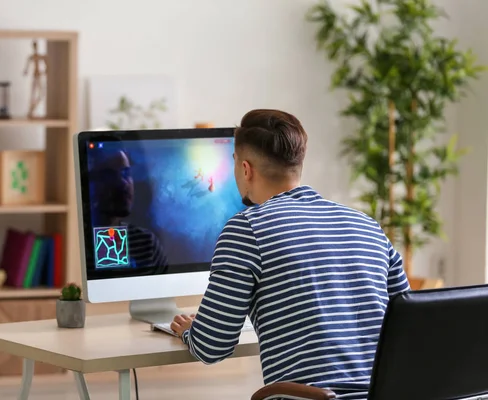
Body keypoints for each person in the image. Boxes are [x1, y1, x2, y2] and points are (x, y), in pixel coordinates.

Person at [170, 109, 410, 399]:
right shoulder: (367, 225)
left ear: (245, 169)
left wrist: (189, 331)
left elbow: (211, 346)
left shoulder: (246, 229)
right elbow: (407, 324)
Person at [87, 145, 168, 274]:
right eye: (109, 175)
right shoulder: (78, 245)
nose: (123, 183)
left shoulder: (146, 244)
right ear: (90, 183)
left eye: (126, 173)